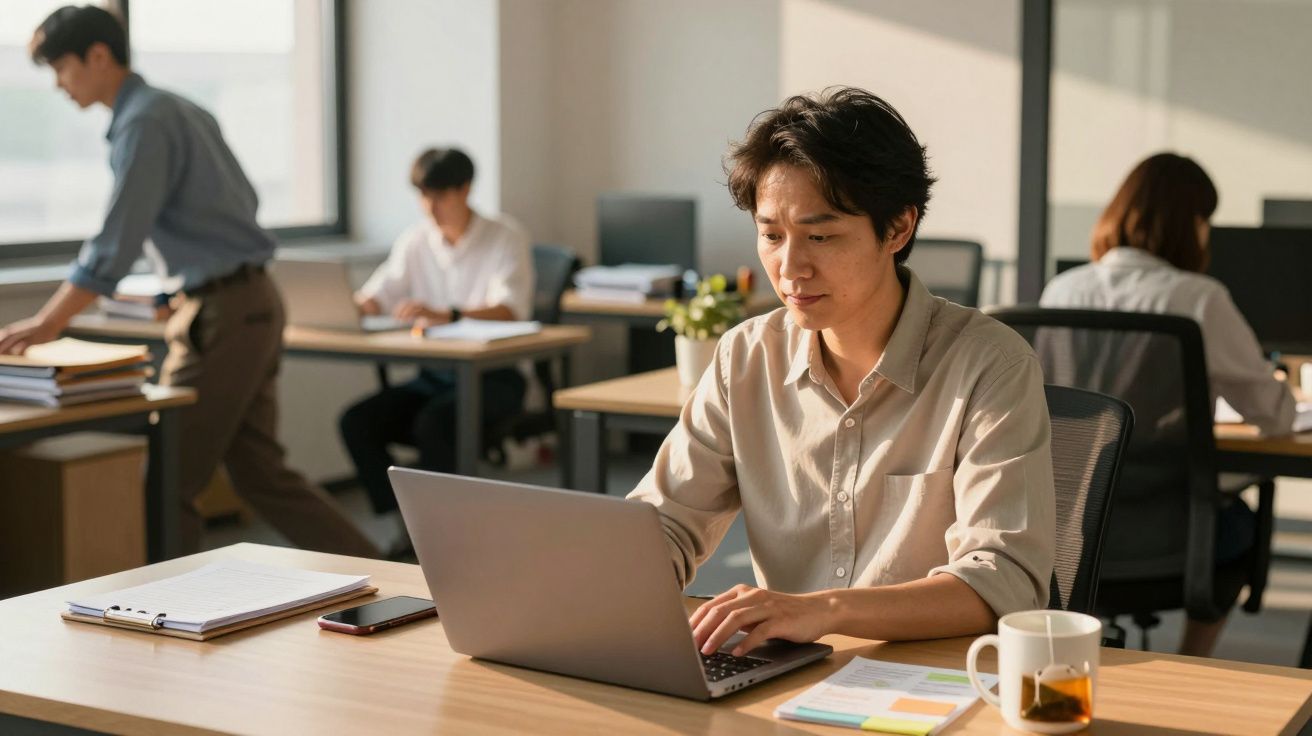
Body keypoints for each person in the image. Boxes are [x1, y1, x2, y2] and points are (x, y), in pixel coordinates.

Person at [627, 87, 1055, 658]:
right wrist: (605, 579)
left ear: (899, 228)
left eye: (821, 236)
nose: (790, 268)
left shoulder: (989, 365)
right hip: (782, 674)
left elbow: (1005, 580)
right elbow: (666, 523)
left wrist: (822, 610)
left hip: (938, 681)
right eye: (772, 235)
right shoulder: (745, 357)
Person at [0, 5, 379, 559]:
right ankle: (395, 578)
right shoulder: (179, 109)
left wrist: (47, 322)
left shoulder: (144, 123)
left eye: (61, 68)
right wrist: (176, 285)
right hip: (248, 301)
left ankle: (170, 619)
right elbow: (237, 207)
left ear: (98, 56)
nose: (58, 85)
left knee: (168, 482)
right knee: (260, 474)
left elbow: (116, 240)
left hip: (223, 313)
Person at [1041, 152, 1296, 656]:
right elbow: (1277, 417)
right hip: (1172, 530)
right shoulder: (1199, 298)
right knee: (1240, 522)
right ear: (1191, 224)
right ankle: (1193, 661)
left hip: (1065, 531)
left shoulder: (1060, 290)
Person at [338, 147, 532, 550]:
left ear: (465, 190)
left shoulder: (504, 236)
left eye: (439, 196)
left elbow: (511, 309)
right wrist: (343, 304)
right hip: (435, 377)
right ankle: (407, 525)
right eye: (423, 196)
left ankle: (445, 536)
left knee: (435, 422)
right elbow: (377, 295)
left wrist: (448, 313)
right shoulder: (416, 241)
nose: (430, 206)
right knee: (357, 420)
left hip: (494, 378)